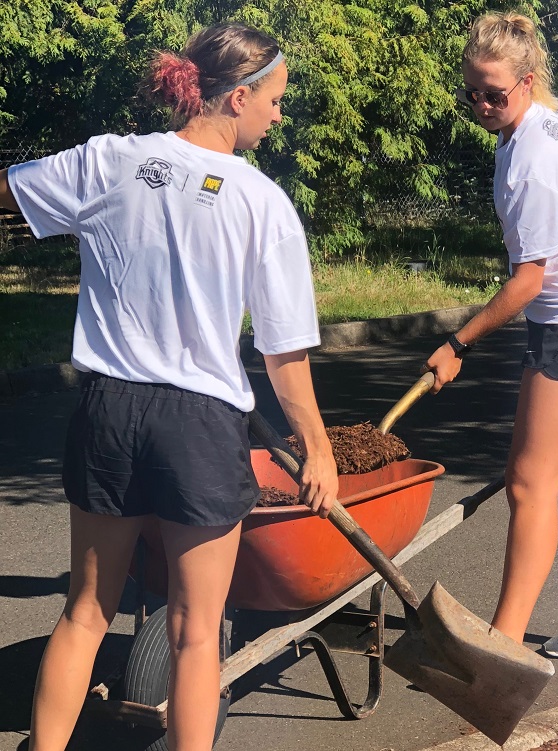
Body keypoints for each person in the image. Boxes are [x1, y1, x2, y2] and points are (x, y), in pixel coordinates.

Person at [0, 23, 339, 750]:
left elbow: (8, 192)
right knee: (193, 632)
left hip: (108, 409)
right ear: (238, 96)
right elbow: (284, 355)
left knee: (85, 611)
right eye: (275, 101)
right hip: (199, 422)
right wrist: (317, 448)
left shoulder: (110, 160)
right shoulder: (263, 204)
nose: (279, 116)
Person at [424, 11, 558, 659]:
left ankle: (502, 650)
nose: (484, 104)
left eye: (495, 92)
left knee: (527, 483)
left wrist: (457, 342)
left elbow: (528, 282)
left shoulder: (531, 158)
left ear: (527, 78)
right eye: (474, 93)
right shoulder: (551, 117)